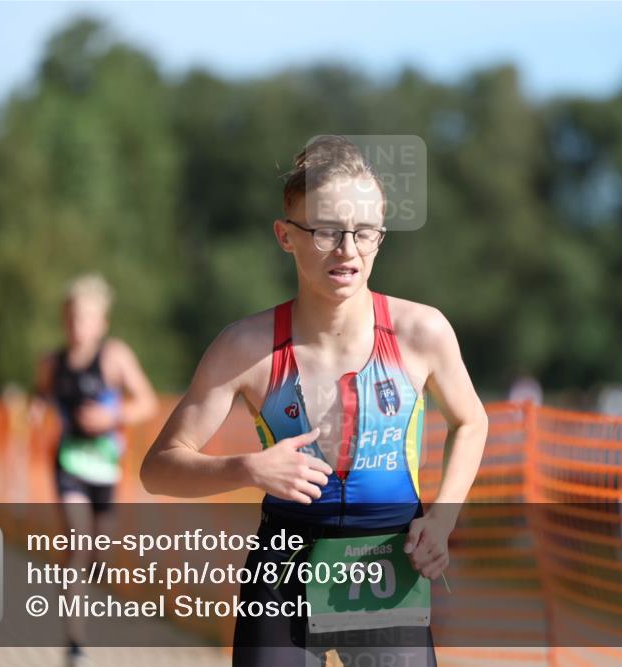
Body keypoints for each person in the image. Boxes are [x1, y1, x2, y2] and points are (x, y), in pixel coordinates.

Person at [141, 135, 488, 666]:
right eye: (326, 230)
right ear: (286, 236)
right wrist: (247, 468)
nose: (348, 250)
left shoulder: (422, 332)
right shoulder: (246, 348)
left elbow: (471, 422)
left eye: (364, 232)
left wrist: (442, 520)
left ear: (380, 237)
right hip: (283, 571)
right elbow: (158, 469)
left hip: (388, 565)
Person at [33, 273, 158, 667]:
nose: (77, 325)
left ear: (102, 323)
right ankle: (75, 643)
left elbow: (148, 402)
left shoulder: (114, 356)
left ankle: (89, 597)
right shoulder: (52, 363)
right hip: (69, 463)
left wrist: (112, 416)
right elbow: (41, 395)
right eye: (71, 317)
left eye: (86, 317)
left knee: (99, 553)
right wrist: (37, 410)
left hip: (105, 468)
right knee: (77, 544)